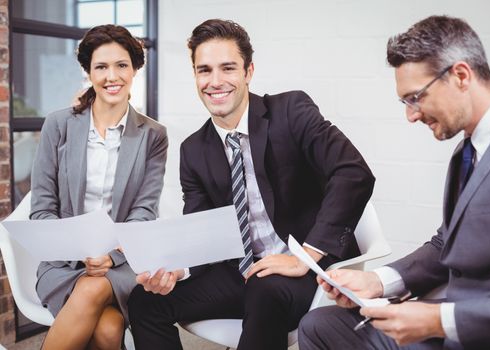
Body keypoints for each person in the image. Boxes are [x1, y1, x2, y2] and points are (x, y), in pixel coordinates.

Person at [127, 19, 375, 350]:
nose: (215, 82)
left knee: (265, 287)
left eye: (227, 68)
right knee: (145, 301)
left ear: (248, 72)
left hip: (307, 272)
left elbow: (353, 172)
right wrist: (176, 270)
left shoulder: (291, 110)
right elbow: (203, 234)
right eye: (204, 70)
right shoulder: (194, 150)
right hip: (241, 273)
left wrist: (305, 256)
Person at [298, 15, 490, 350]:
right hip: (448, 317)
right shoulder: (468, 150)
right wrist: (377, 281)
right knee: (319, 324)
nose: (411, 115)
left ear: (461, 75)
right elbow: (445, 243)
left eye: (415, 97)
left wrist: (437, 321)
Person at [31, 24, 168, 350]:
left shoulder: (153, 135)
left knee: (94, 294)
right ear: (88, 72)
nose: (112, 76)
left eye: (121, 65)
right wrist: (82, 252)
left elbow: (144, 212)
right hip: (62, 263)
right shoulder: (58, 125)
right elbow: (42, 208)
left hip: (122, 263)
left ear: (135, 69)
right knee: (107, 330)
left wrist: (108, 256)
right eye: (101, 67)